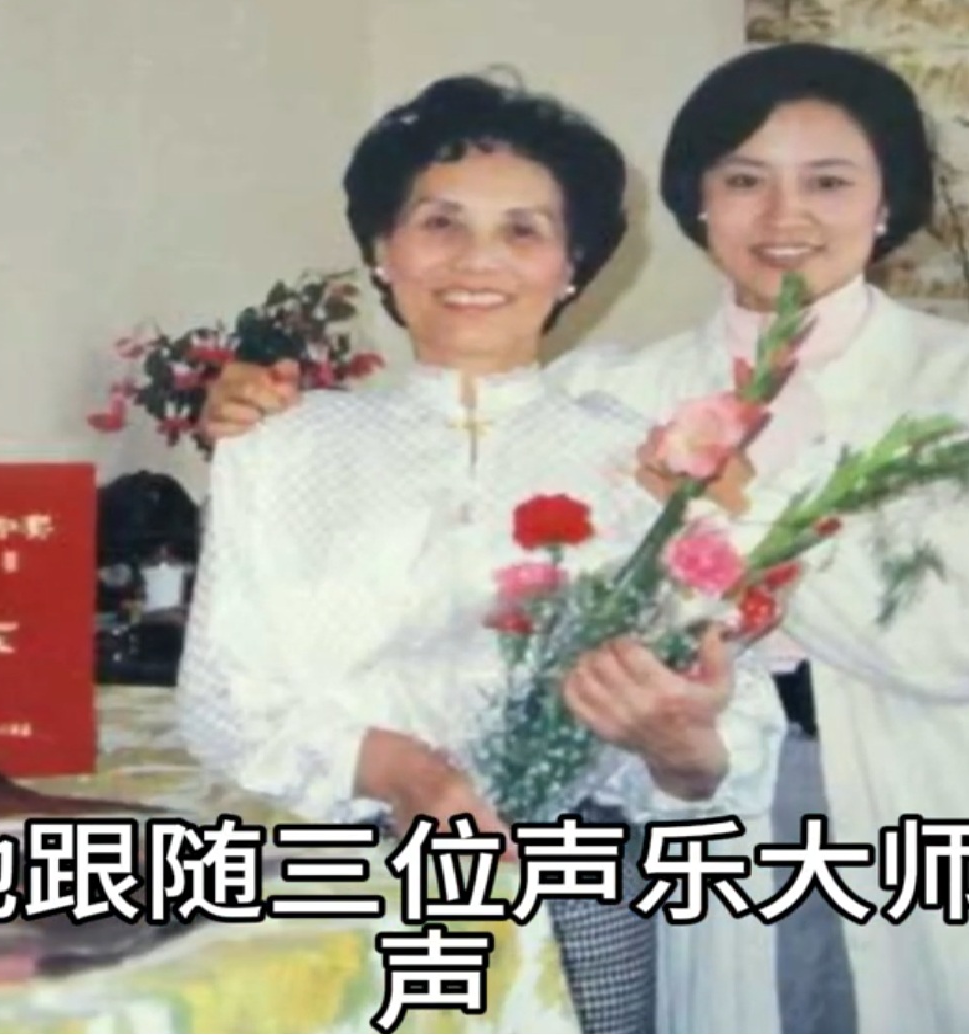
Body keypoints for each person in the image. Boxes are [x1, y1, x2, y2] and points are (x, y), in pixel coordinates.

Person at [196, 42, 969, 1035]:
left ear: (886, 199)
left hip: (929, 781)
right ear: (698, 204)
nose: (784, 215)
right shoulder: (620, 393)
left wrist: (741, 513)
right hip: (696, 795)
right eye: (743, 181)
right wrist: (253, 413)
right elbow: (460, 427)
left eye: (828, 181)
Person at [173, 73, 787, 1035]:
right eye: (440, 222)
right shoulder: (281, 446)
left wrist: (684, 748)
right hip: (341, 892)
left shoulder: (647, 461)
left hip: (577, 896)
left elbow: (725, 744)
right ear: (383, 249)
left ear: (572, 266)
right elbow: (223, 700)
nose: (477, 259)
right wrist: (401, 770)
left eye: (523, 231)